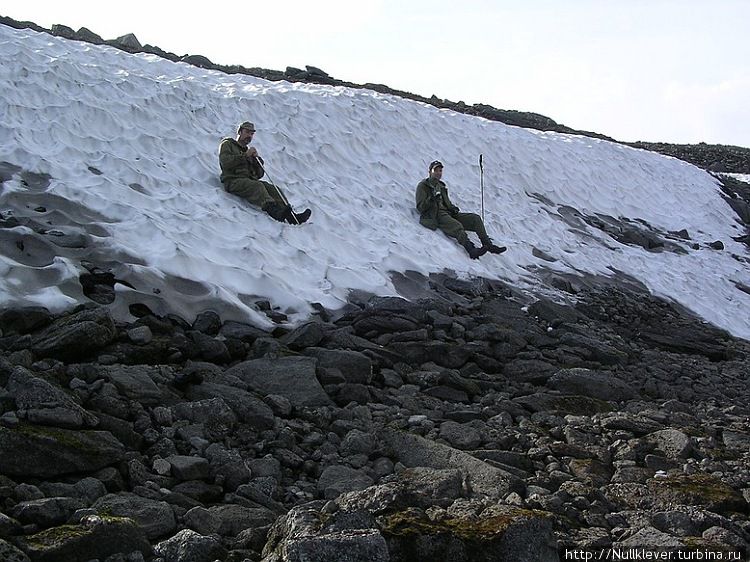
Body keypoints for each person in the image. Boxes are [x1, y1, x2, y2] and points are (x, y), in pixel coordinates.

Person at [219, 121, 311, 224]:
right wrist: (245, 156)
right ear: (240, 132)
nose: (249, 136)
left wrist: (257, 161)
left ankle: (291, 216)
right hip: (233, 181)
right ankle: (275, 212)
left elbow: (259, 175)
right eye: (247, 132)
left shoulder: (248, 151)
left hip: (247, 181)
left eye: (252, 134)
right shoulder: (228, 144)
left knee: (274, 189)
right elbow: (225, 162)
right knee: (258, 186)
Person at [415, 160, 506, 259]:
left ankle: (488, 245)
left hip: (447, 213)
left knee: (475, 218)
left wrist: (453, 208)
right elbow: (421, 207)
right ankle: (471, 250)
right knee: (456, 226)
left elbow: (447, 203)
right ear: (429, 172)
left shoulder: (441, 186)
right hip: (435, 215)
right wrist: (432, 199)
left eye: (440, 171)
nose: (438, 173)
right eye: (435, 170)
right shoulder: (423, 186)